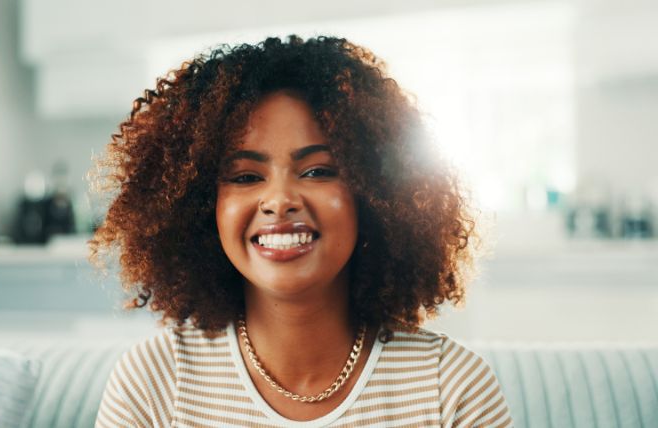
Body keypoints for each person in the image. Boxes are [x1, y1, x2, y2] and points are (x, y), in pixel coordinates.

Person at [91, 35, 513, 427]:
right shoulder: (154, 384)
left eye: (317, 171)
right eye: (245, 176)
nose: (279, 200)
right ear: (201, 208)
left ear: (373, 195)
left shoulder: (451, 389)